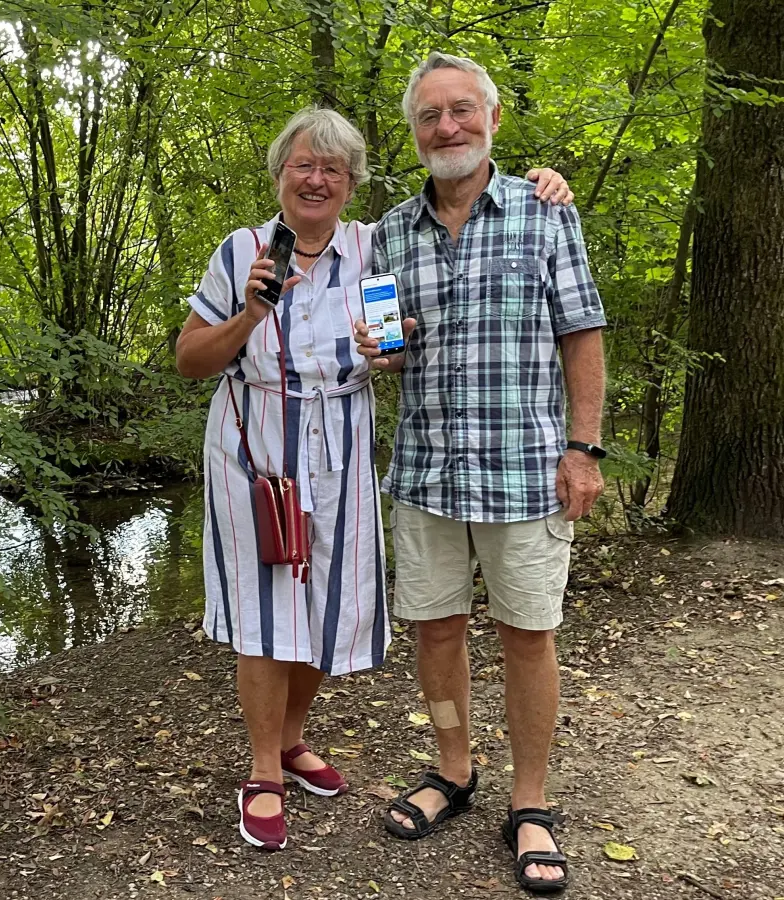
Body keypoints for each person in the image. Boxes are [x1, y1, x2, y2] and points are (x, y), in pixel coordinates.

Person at [174, 106, 572, 852]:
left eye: (332, 168)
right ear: (280, 174)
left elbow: (393, 345)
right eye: (303, 164)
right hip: (255, 451)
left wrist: (544, 185)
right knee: (265, 612)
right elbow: (190, 358)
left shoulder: (375, 246)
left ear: (352, 183)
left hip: (345, 449)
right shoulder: (242, 252)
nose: (316, 178)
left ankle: (292, 740)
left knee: (325, 606)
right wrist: (252, 316)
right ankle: (263, 770)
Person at [356, 53, 607, 894]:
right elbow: (388, 352)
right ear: (415, 133)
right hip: (427, 469)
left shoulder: (545, 213)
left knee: (528, 636)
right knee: (435, 629)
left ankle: (530, 802)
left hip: (526, 468)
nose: (447, 127)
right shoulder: (390, 232)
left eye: (462, 110)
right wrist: (381, 348)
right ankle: (454, 770)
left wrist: (585, 448)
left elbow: (582, 334)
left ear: (492, 119)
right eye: (430, 116)